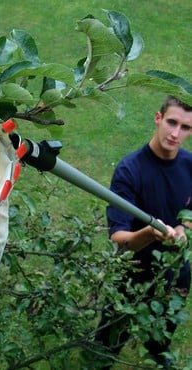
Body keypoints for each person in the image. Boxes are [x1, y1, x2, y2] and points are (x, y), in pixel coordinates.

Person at [94, 95, 192, 369]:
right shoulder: (130, 170)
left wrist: (184, 228)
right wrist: (150, 232)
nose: (175, 133)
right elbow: (119, 240)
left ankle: (159, 355)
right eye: (171, 122)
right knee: (108, 343)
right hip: (131, 277)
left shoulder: (189, 165)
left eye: (185, 127)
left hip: (175, 275)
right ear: (158, 118)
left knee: (161, 342)